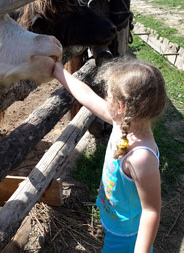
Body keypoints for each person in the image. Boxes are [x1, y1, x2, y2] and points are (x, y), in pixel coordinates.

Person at [53, 57, 167, 252]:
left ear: (121, 107)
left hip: (127, 237)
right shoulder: (122, 124)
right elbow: (87, 96)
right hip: (115, 224)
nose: (105, 100)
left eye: (108, 96)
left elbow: (151, 211)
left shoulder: (141, 158)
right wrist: (57, 71)